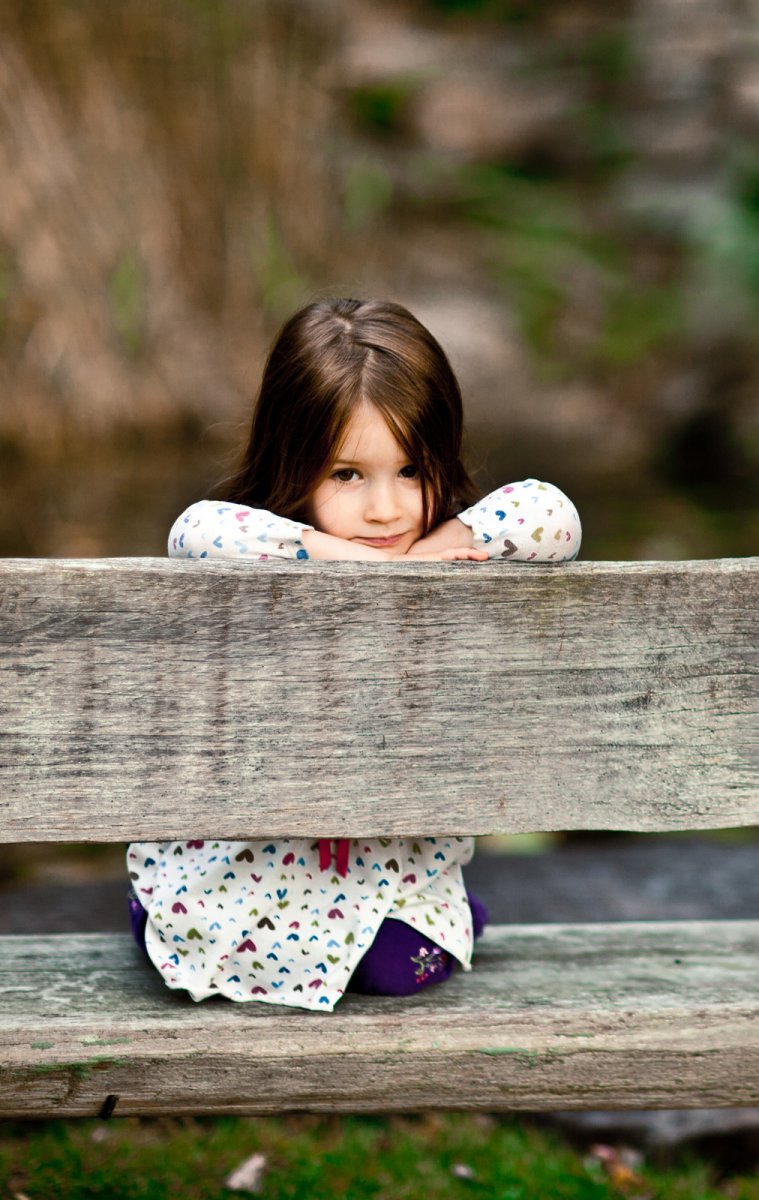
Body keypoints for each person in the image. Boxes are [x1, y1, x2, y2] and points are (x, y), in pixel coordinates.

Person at [127, 297, 582, 1011]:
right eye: (347, 475)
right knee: (393, 963)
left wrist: (429, 554)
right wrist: (336, 557)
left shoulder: (452, 556)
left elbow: (551, 512)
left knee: (392, 965)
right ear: (292, 463)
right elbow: (195, 528)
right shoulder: (264, 555)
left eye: (411, 470)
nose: (385, 509)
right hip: (255, 869)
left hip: (379, 866)